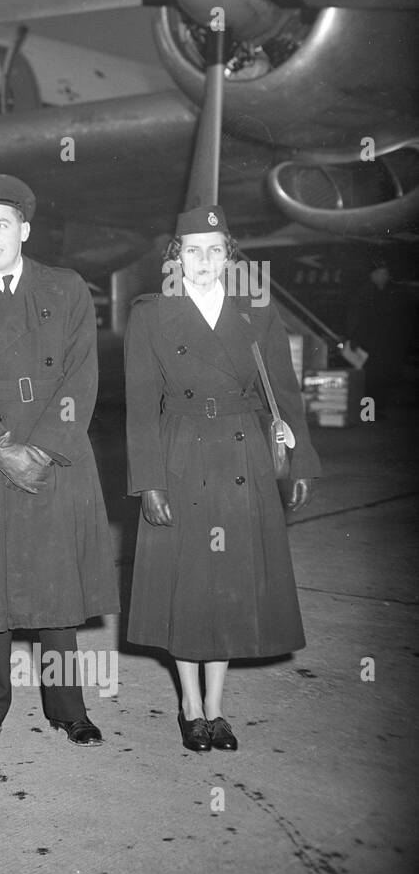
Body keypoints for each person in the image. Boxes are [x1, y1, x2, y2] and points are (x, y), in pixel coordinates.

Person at [0, 174, 119, 750]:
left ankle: (69, 708)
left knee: (56, 592)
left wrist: (40, 447)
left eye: (2, 225)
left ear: (25, 229)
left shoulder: (66, 289)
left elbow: (81, 374)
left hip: (54, 456)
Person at [125, 205, 320, 751]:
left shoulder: (256, 311)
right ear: (176, 258)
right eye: (192, 250)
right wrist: (150, 482)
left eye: (215, 250)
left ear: (229, 256)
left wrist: (299, 461)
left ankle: (217, 707)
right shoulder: (151, 316)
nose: (204, 261)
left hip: (242, 456)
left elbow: (284, 390)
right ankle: (190, 705)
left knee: (228, 583)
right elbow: (140, 408)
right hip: (181, 452)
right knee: (187, 584)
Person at [344, 263, 414, 417]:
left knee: (381, 379)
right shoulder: (364, 294)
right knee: (369, 380)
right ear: (373, 275)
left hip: (385, 346)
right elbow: (355, 319)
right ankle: (368, 413)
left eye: (385, 274)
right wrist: (354, 339)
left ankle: (376, 411)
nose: (382, 277)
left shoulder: (393, 294)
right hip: (368, 346)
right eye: (379, 273)